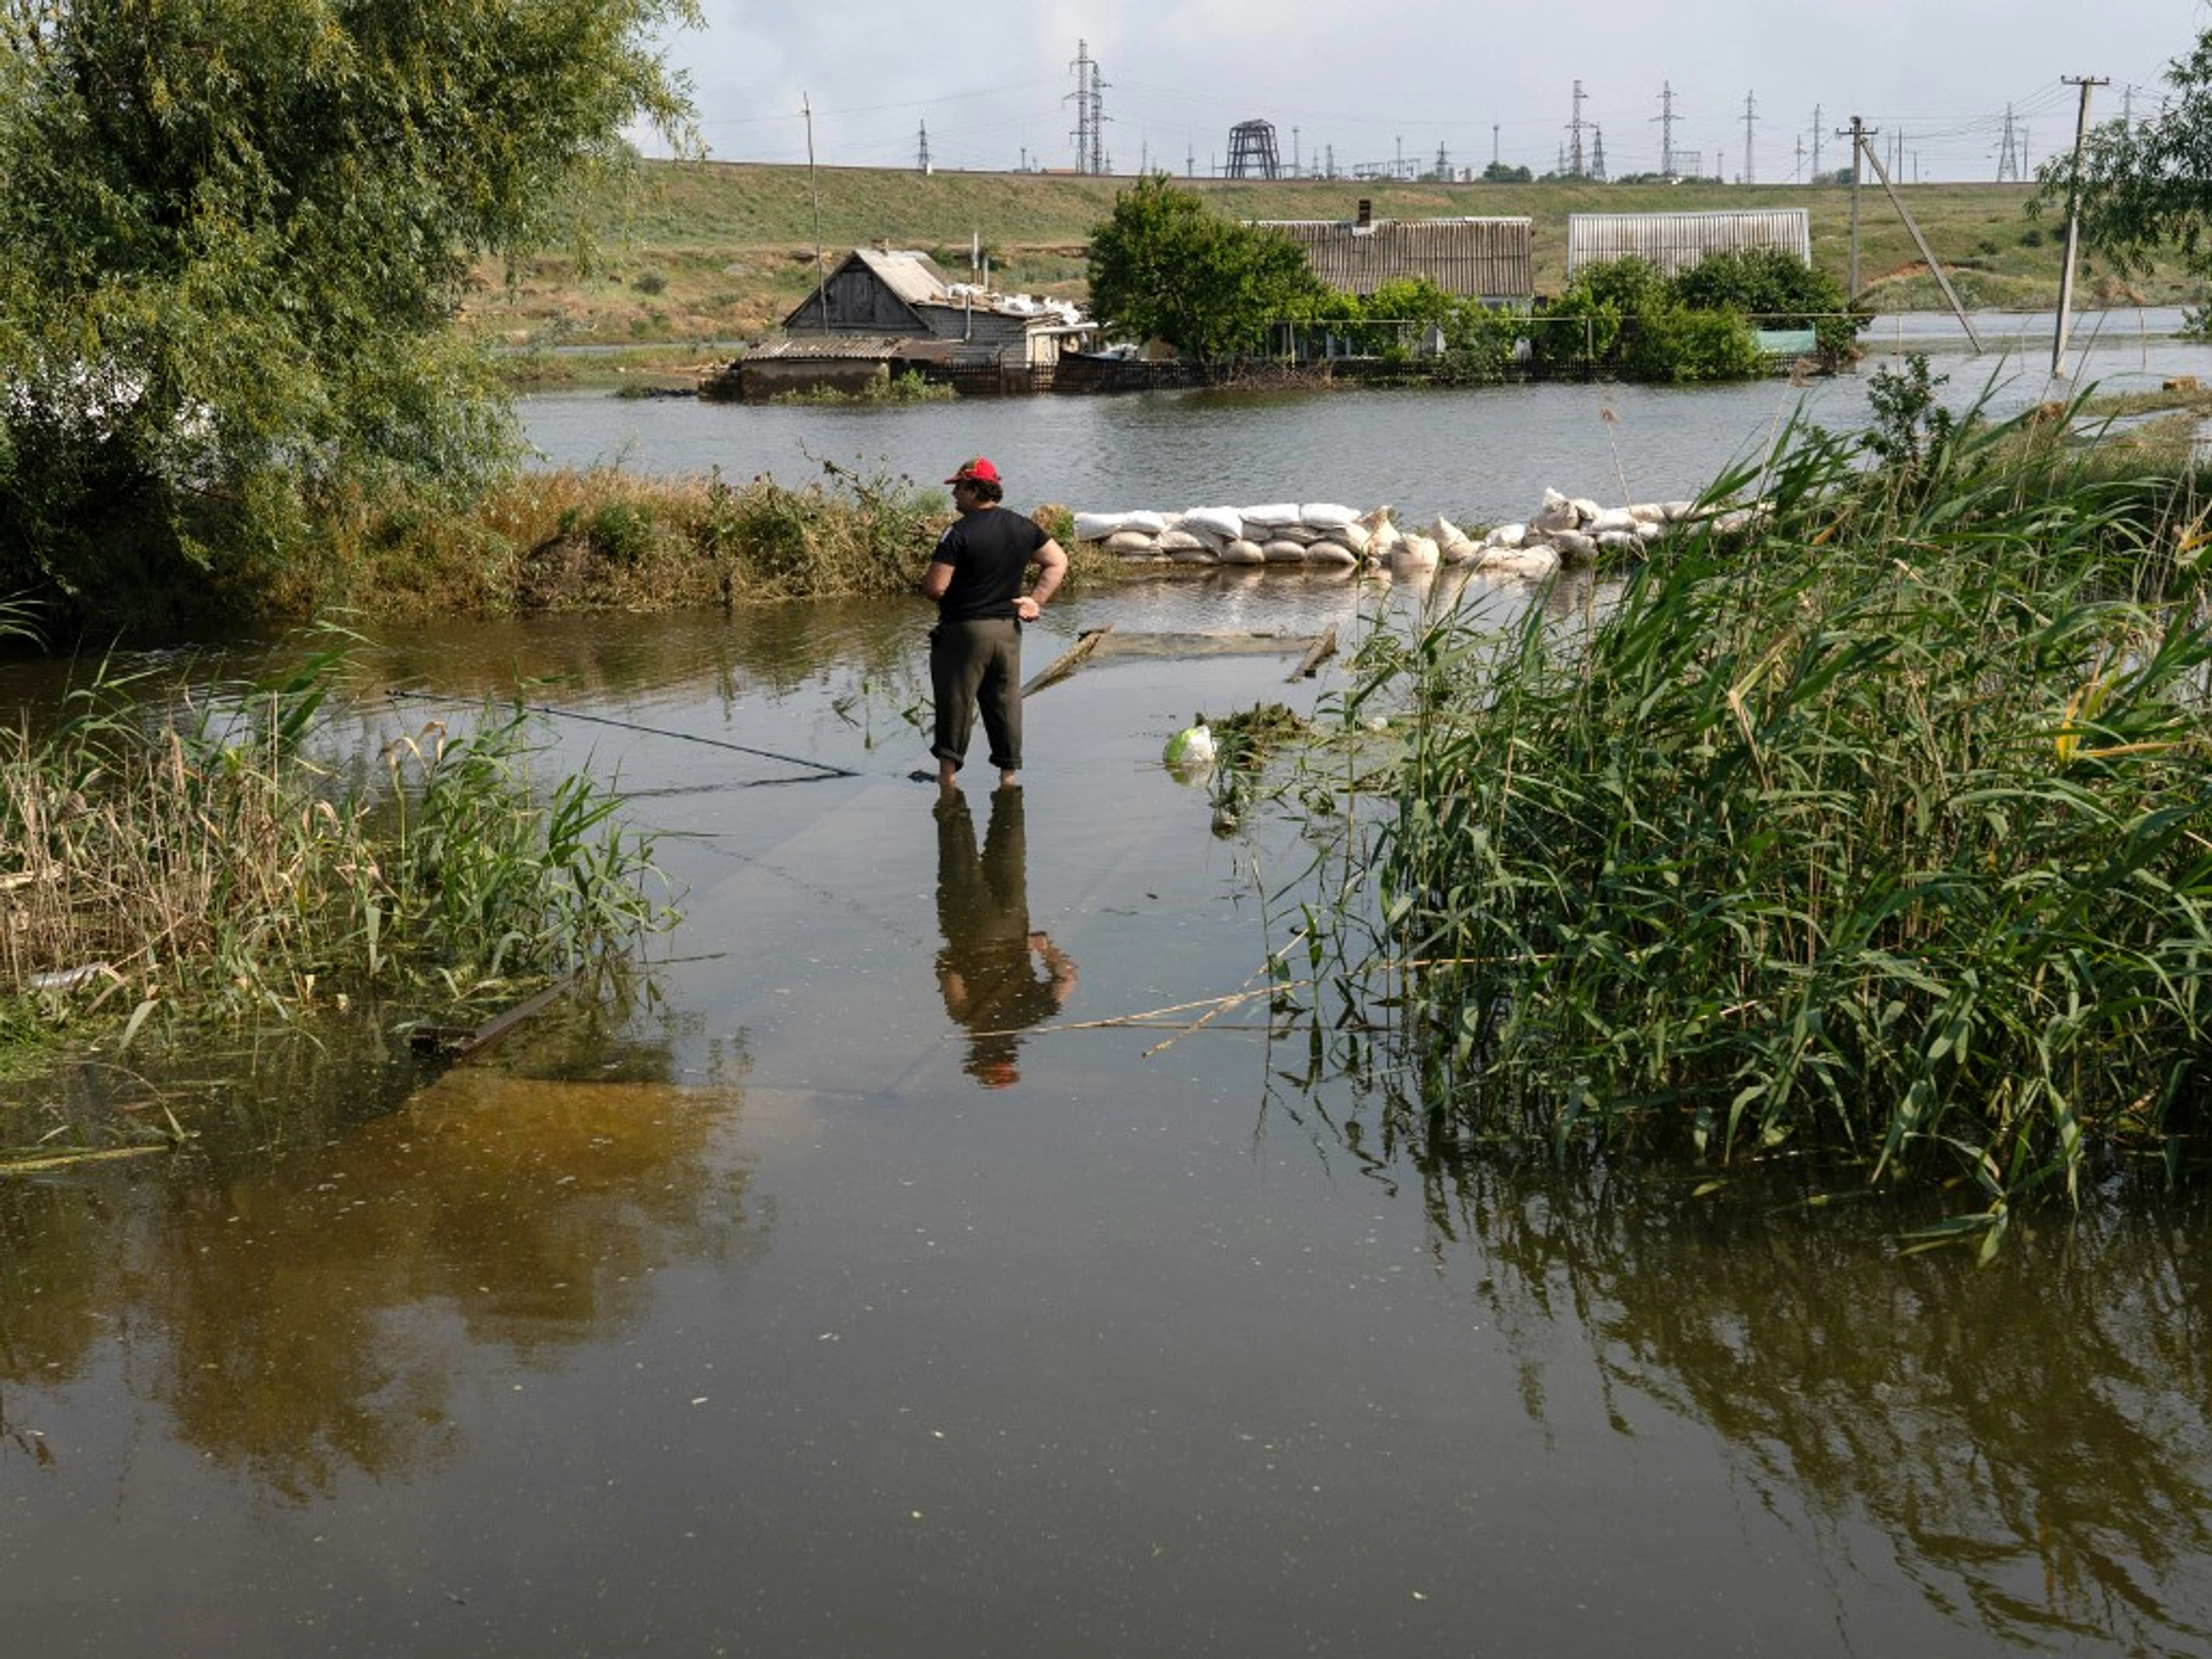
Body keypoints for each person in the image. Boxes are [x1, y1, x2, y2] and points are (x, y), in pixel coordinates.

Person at [918, 456, 1067, 792]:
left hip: (964, 633)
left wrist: (926, 583)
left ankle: (948, 782)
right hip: (1007, 632)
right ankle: (1008, 781)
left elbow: (935, 588)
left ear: (974, 488)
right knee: (1005, 704)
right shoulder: (1022, 526)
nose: (954, 494)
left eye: (959, 487)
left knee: (955, 703)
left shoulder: (957, 532)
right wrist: (1035, 600)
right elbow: (1057, 561)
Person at [933, 783, 1077, 1089]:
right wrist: (946, 959)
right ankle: (950, 787)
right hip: (970, 930)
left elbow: (1066, 978)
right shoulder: (966, 1015)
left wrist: (1044, 948)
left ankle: (1008, 785)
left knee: (1009, 849)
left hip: (1014, 927)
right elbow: (950, 974)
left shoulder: (1034, 1014)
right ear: (977, 1051)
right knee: (959, 854)